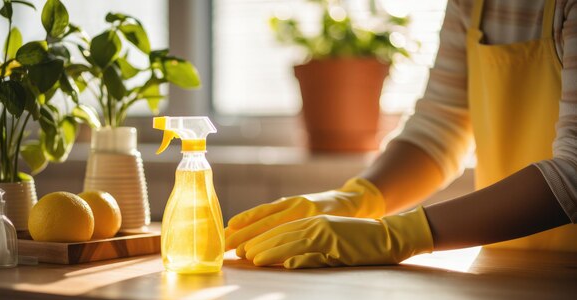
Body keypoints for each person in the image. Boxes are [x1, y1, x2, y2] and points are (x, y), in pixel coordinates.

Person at [224, 0, 577, 269]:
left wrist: (400, 235)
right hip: (504, 267)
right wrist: (356, 198)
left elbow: (572, 173)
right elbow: (439, 128)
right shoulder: (470, 4)